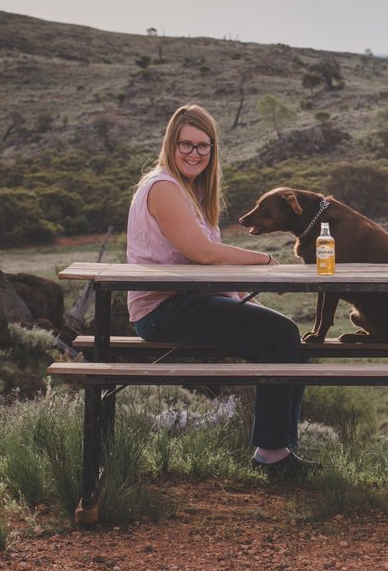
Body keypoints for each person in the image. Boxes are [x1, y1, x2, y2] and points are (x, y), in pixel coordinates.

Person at [127, 103, 315, 478]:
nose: (195, 153)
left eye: (203, 146)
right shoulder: (163, 188)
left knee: (288, 336)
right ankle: (272, 456)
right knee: (281, 336)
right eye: (186, 144)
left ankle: (281, 450)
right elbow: (203, 253)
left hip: (189, 302)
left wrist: (244, 294)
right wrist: (263, 260)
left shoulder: (188, 190)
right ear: (170, 144)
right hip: (163, 310)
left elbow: (203, 263)